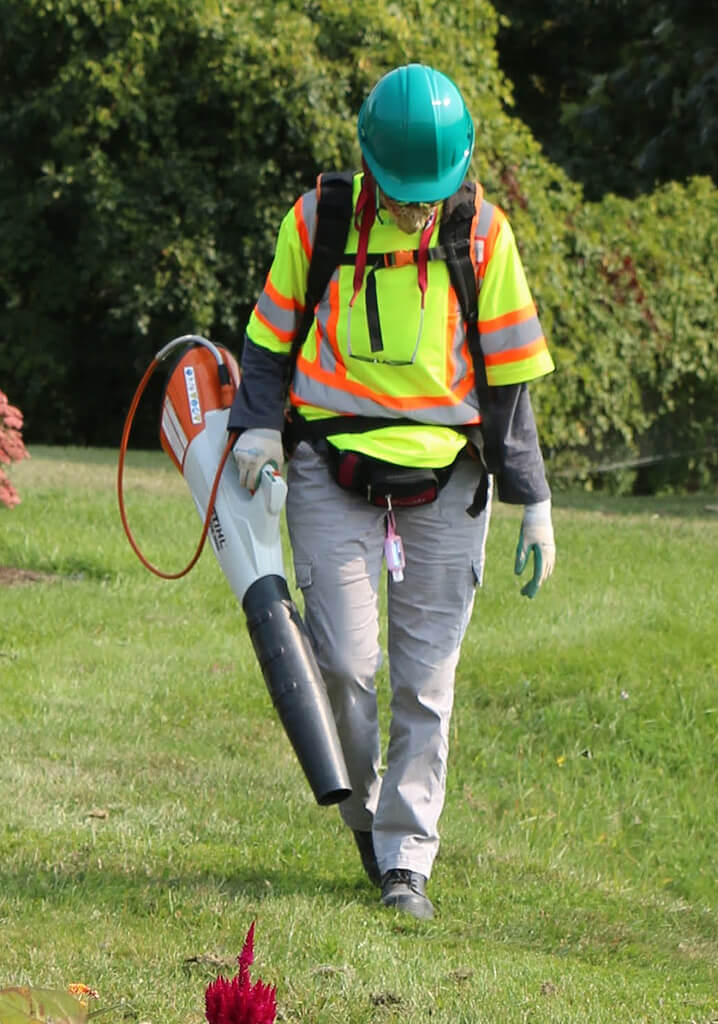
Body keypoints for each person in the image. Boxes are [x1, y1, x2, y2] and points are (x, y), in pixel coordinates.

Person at [226, 63, 556, 920]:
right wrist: (257, 427)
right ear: (368, 164)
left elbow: (511, 384)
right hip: (330, 471)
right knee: (342, 663)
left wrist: (536, 502)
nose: (417, 213)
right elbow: (268, 341)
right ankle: (370, 823)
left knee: (426, 681)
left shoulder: (482, 237)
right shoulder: (320, 220)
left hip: (448, 482)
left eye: (430, 196)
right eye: (404, 196)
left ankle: (406, 859)